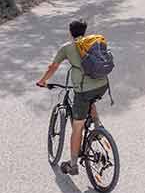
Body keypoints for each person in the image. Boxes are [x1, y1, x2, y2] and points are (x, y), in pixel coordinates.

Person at [36, 19, 109, 176]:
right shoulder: (92, 43)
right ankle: (98, 127)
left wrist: (43, 81)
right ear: (84, 30)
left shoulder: (67, 48)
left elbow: (53, 67)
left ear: (70, 32)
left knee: (77, 127)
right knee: (90, 99)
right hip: (103, 85)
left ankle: (73, 165)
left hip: (83, 89)